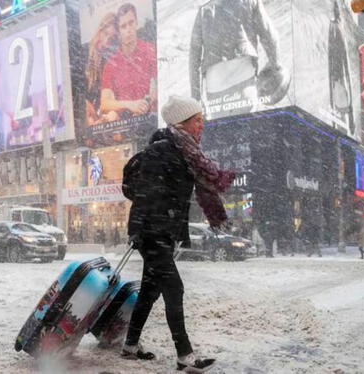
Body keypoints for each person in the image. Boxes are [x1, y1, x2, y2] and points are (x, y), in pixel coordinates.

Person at [122, 95, 234, 372]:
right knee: (174, 287)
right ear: (182, 123)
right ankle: (185, 356)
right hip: (152, 230)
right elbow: (145, 193)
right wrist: (137, 230)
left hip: (163, 229)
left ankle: (130, 346)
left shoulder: (183, 151)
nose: (202, 125)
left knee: (150, 289)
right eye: (198, 120)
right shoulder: (163, 150)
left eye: (202, 120)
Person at [189, 0, 288, 118]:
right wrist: (275, 64)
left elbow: (194, 59)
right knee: (247, 131)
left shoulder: (204, 11)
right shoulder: (250, 2)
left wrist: (196, 99)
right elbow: (270, 36)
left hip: (216, 88)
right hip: (244, 81)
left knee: (224, 130)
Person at [100, 3, 157, 121]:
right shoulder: (111, 64)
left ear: (137, 23)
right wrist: (130, 105)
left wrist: (149, 103)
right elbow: (105, 103)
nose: (129, 30)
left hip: (151, 119)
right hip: (124, 124)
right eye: (123, 26)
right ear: (118, 31)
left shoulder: (151, 51)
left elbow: (160, 86)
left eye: (131, 23)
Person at [85, 12, 118, 125]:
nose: (106, 41)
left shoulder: (110, 59)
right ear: (100, 30)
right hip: (88, 115)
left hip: (103, 115)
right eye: (105, 34)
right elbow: (81, 91)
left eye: (111, 38)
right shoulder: (85, 54)